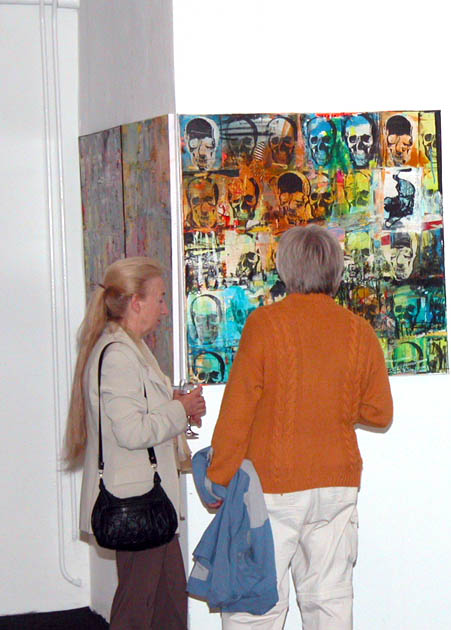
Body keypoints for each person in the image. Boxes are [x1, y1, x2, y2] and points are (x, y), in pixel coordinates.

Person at [206, 224, 393, 629]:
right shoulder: (358, 330)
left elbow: (238, 410)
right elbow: (379, 412)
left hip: (273, 488)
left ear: (286, 269)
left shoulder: (265, 324)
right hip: (336, 485)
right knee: (329, 602)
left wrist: (218, 477)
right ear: (335, 271)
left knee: (256, 607)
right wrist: (334, 404)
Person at [63, 257, 207, 629]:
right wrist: (179, 409)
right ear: (136, 302)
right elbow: (130, 432)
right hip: (137, 502)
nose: (165, 309)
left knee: (167, 605)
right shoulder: (119, 355)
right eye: (160, 298)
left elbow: (135, 412)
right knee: (139, 609)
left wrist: (173, 401)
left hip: (147, 502)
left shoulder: (129, 349)